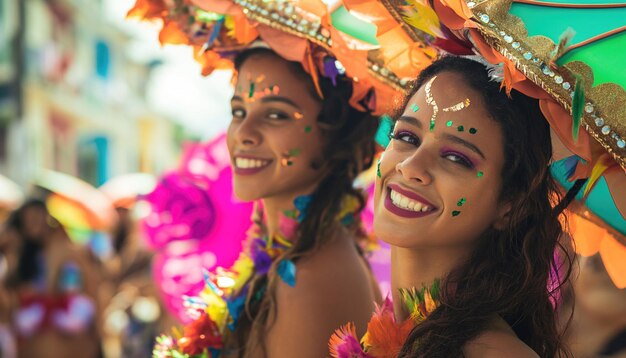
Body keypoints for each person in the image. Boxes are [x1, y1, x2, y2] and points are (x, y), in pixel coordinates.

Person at [330, 56, 572, 357]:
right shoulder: (394, 332)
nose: (410, 165)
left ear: (511, 205)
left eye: (457, 158)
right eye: (407, 137)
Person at [6, 199, 100, 358]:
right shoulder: (22, 253)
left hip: (69, 341)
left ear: (46, 217)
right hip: (37, 342)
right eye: (27, 220)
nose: (32, 224)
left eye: (36, 217)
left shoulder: (68, 249)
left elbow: (90, 287)